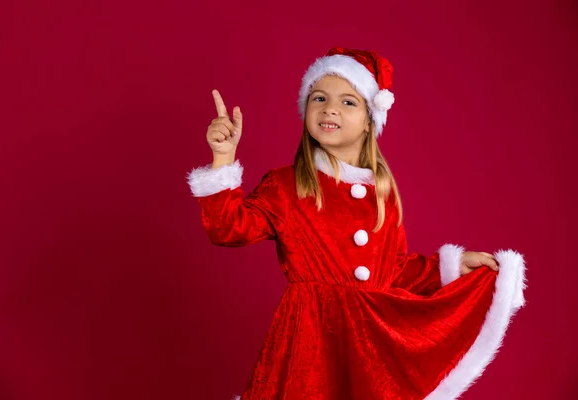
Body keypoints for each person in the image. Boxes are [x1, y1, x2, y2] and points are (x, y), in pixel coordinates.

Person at [186, 47, 527, 400]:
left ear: (370, 119)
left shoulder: (382, 193)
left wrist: (453, 265)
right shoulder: (287, 185)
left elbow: (393, 269)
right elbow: (228, 228)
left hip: (369, 342)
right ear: (306, 111)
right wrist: (223, 157)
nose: (330, 108)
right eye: (319, 98)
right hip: (310, 337)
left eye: (348, 102)